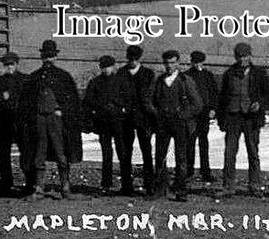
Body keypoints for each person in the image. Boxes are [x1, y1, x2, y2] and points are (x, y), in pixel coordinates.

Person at [21, 39, 82, 199]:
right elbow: (26, 102)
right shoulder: (34, 77)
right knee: (39, 154)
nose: (48, 59)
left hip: (57, 121)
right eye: (45, 56)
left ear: (55, 57)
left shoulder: (64, 77)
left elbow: (73, 101)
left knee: (61, 152)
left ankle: (65, 187)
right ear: (42, 57)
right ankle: (39, 188)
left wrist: (62, 112)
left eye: (51, 56)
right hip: (39, 120)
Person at [216, 42, 269, 198]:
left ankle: (254, 185)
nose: (242, 60)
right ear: (235, 57)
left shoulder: (259, 73)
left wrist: (259, 103)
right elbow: (222, 99)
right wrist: (222, 121)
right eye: (239, 56)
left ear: (250, 56)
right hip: (233, 118)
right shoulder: (229, 73)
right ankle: (228, 186)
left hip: (251, 119)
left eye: (245, 56)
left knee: (253, 152)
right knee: (229, 153)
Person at [147, 50, 202, 202]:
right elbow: (149, 101)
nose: (169, 66)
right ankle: (160, 190)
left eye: (172, 63)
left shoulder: (185, 81)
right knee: (160, 156)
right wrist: (156, 113)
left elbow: (197, 104)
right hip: (163, 123)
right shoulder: (159, 81)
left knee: (181, 158)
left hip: (181, 124)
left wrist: (183, 115)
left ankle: (181, 190)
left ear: (178, 63)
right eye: (167, 63)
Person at [83, 55, 132, 194]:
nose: (106, 70)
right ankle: (106, 184)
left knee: (123, 153)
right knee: (106, 153)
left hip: (119, 122)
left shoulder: (122, 81)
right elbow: (88, 101)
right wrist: (99, 108)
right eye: (103, 67)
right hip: (103, 122)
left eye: (108, 67)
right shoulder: (95, 82)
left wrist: (121, 109)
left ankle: (127, 185)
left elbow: (128, 100)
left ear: (113, 66)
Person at [116, 44, 155, 195]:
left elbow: (150, 96)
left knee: (146, 151)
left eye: (135, 59)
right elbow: (117, 94)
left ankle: (149, 185)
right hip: (125, 119)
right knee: (126, 153)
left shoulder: (148, 74)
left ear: (139, 58)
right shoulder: (121, 73)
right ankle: (126, 186)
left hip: (143, 118)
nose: (132, 61)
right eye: (130, 58)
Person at [0, 52, 27, 196]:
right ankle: (6, 183)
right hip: (3, 122)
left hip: (21, 123)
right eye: (7, 64)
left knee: (26, 153)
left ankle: (30, 183)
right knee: (4, 155)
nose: (9, 67)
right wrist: (1, 99)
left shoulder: (25, 80)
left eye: (12, 64)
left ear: (17, 64)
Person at [183, 50, 217, 184]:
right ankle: (190, 171)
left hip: (204, 113)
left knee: (203, 142)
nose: (197, 64)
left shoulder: (208, 75)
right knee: (190, 142)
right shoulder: (186, 76)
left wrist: (213, 109)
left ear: (203, 61)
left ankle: (205, 171)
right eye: (195, 62)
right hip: (191, 114)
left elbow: (214, 93)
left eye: (199, 62)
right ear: (192, 62)